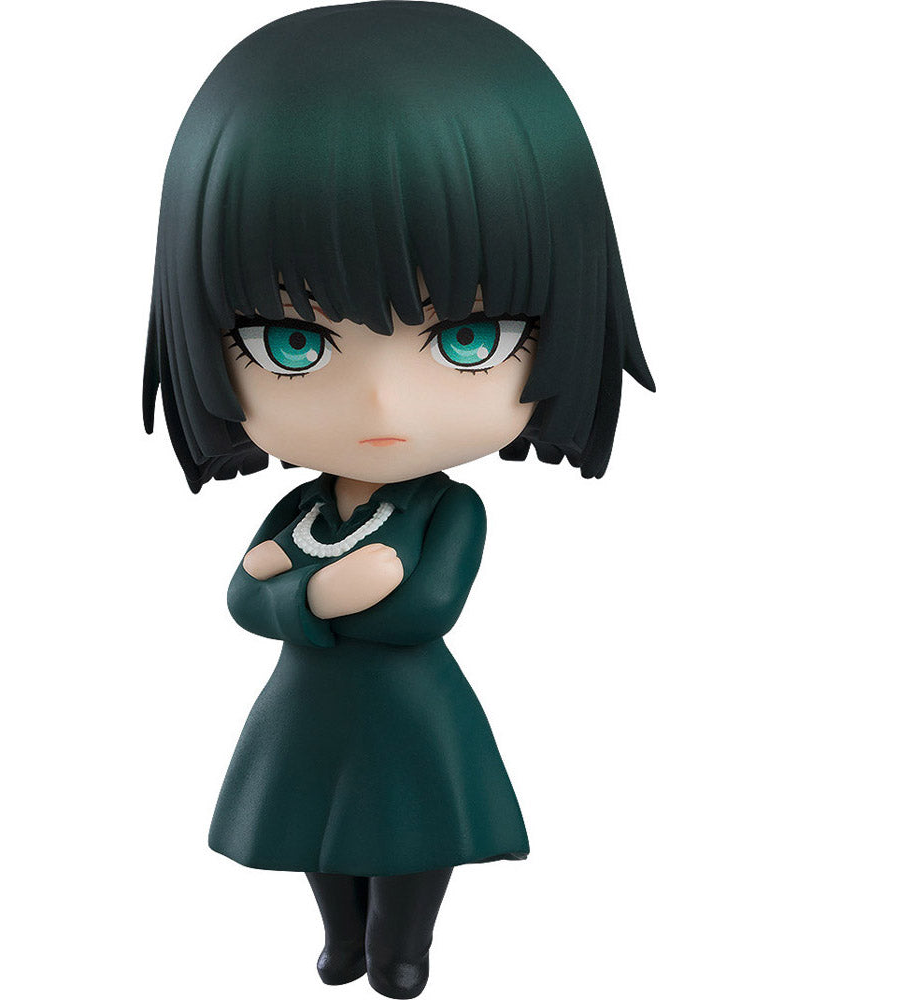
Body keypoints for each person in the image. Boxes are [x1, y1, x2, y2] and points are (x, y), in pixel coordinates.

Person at [143, 4, 654, 997]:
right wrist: (323, 592)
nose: (381, 405)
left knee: (415, 834)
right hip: (305, 714)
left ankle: (400, 947)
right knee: (309, 830)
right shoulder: (303, 510)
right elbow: (243, 598)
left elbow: (423, 607)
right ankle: (341, 937)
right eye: (294, 342)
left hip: (413, 720)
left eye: (467, 338)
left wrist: (298, 590)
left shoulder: (445, 512)